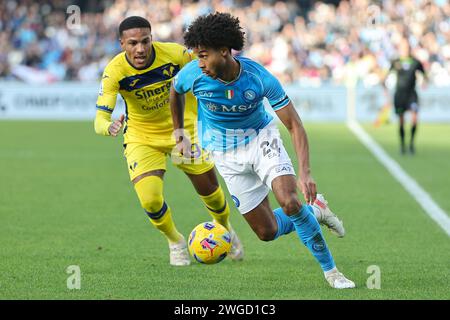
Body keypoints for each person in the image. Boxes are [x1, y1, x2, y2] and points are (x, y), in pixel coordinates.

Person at [170, 12, 354, 289]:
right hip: (224, 155)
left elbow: (294, 125)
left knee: (290, 202)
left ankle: (332, 271)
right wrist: (179, 134)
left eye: (204, 56)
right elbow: (175, 91)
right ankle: (315, 211)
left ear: (224, 51)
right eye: (197, 56)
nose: (200, 63)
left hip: (260, 140)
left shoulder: (258, 77)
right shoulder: (193, 74)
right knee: (266, 232)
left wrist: (305, 173)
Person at [94, 16, 243, 266]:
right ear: (122, 43)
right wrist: (109, 126)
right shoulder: (114, 71)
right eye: (132, 43)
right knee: (150, 199)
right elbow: (99, 117)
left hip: (183, 131)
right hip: (142, 137)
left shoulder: (175, 54)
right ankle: (175, 241)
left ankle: (225, 229)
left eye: (145, 41)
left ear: (152, 38)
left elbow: (209, 67)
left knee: (212, 194)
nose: (140, 48)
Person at [383, 39, 427, 155]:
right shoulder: (396, 62)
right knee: (401, 120)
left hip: (412, 94)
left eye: (407, 47)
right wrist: (386, 91)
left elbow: (424, 75)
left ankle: (411, 143)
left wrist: (424, 82)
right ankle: (402, 145)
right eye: (403, 47)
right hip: (399, 95)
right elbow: (386, 77)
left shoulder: (415, 62)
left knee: (414, 118)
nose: (405, 49)